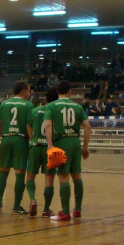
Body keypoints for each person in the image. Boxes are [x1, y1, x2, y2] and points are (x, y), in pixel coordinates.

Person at [45, 80, 91, 221]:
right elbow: (87, 126)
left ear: (58, 92)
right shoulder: (78, 107)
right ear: (70, 92)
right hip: (75, 141)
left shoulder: (52, 106)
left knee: (63, 176)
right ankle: (77, 210)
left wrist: (50, 145)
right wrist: (85, 147)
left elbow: (47, 125)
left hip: (62, 142)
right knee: (77, 176)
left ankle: (65, 212)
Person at [0, 81, 34, 215]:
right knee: (20, 173)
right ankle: (16, 206)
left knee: (3, 172)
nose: (29, 93)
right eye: (28, 91)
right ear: (23, 91)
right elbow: (29, 126)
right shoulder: (28, 105)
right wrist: (32, 141)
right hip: (20, 139)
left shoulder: (4, 104)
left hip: (6, 139)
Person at [26, 89, 59, 217]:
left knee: (30, 176)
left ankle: (32, 199)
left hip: (35, 146)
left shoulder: (35, 110)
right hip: (49, 148)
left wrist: (31, 138)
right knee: (49, 180)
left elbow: (28, 125)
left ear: (46, 99)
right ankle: (46, 209)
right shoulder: (56, 111)